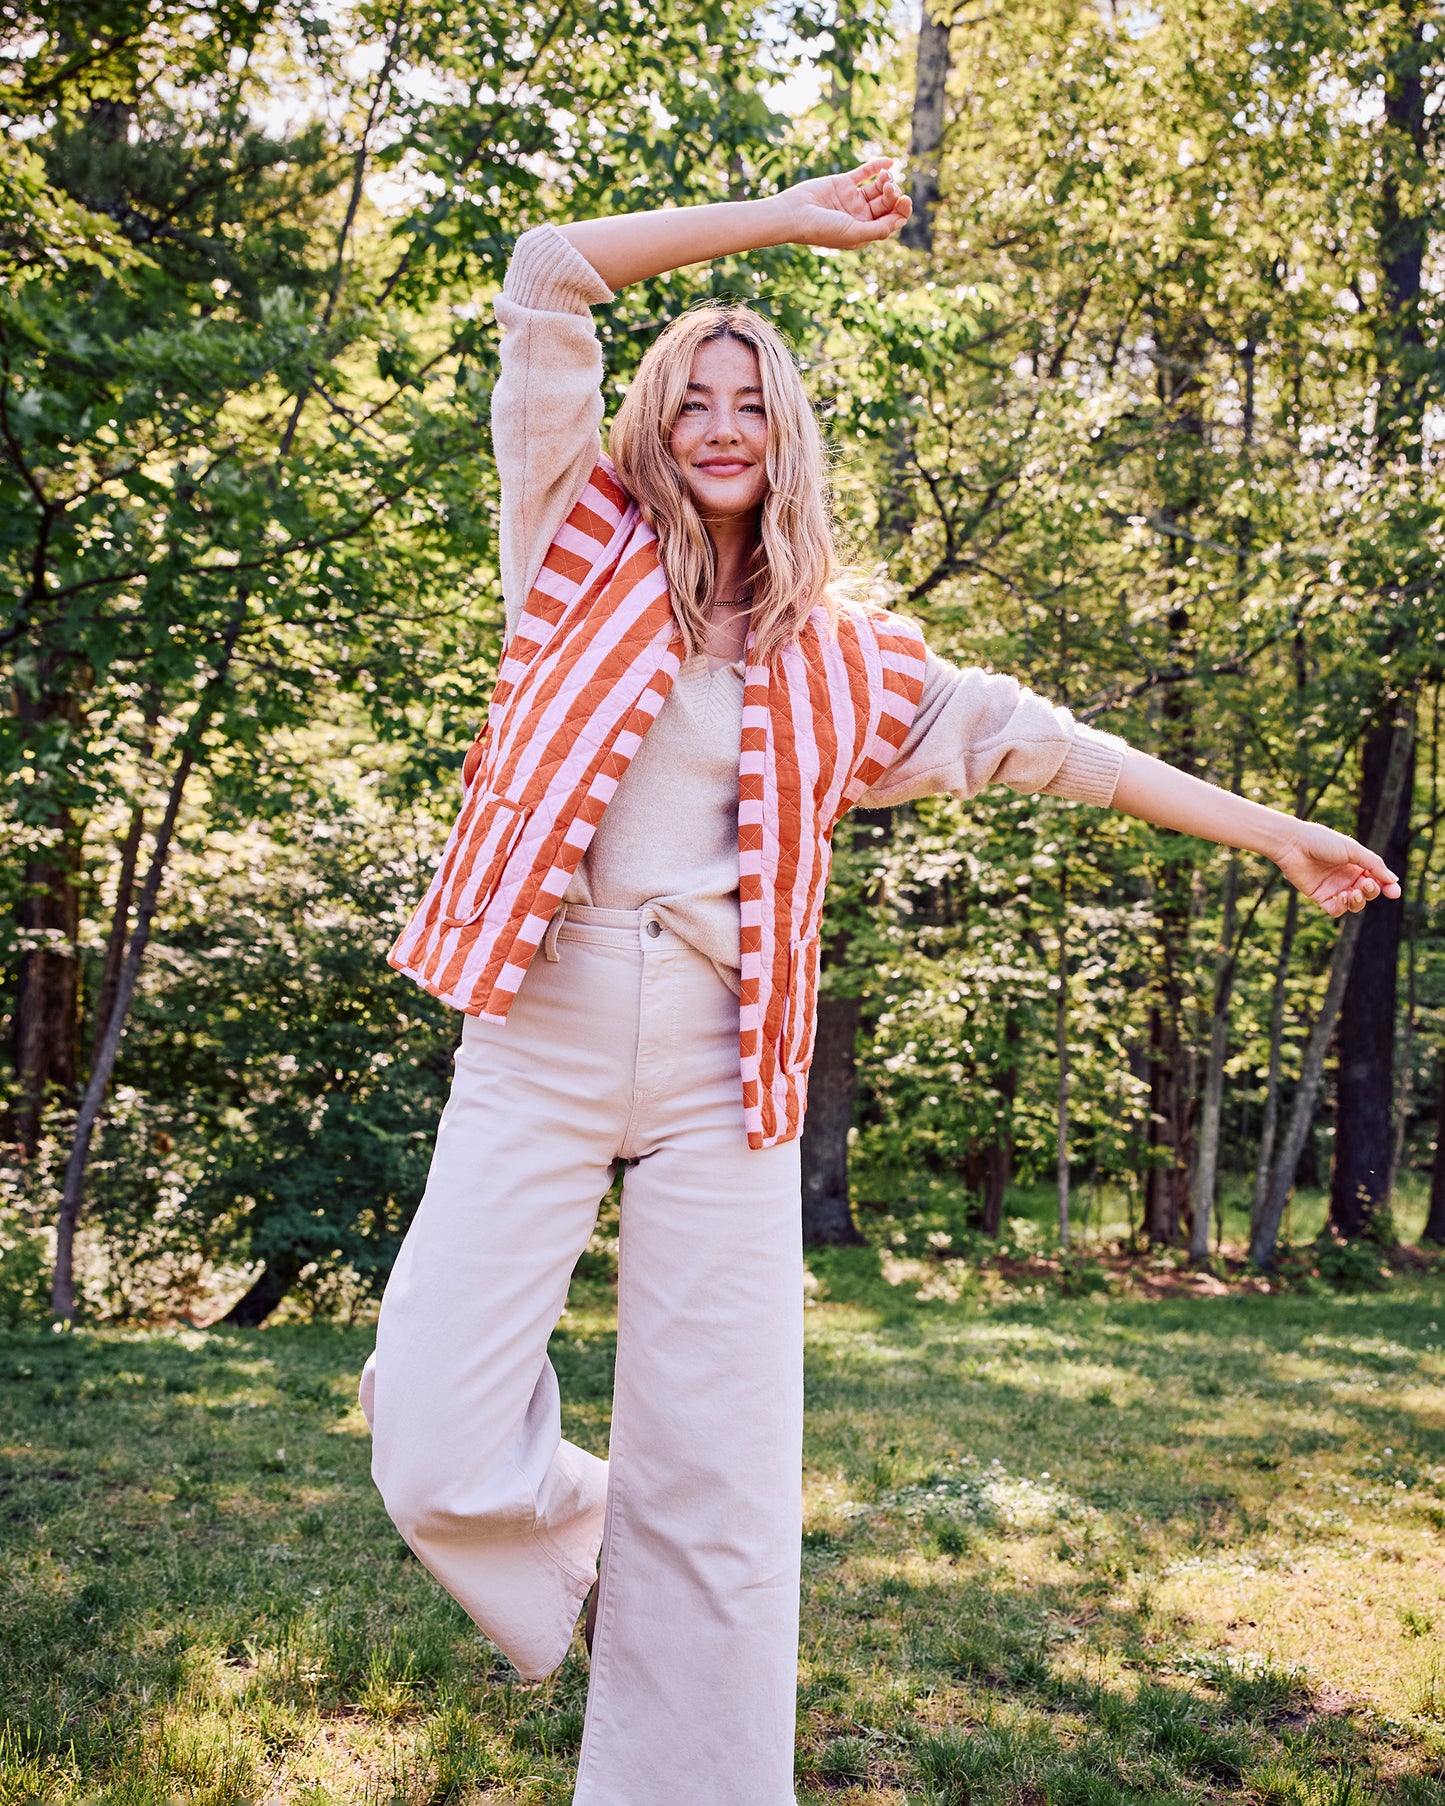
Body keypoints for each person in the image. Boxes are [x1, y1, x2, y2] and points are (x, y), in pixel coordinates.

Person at [359, 160, 1398, 1805]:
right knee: (427, 1434)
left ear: (786, 438)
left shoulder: (847, 654)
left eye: (749, 404)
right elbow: (547, 267)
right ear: (649, 424)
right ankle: (599, 1543)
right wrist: (784, 220)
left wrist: (1272, 829)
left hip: (726, 1065)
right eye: (691, 399)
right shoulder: (572, 533)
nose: (719, 427)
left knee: (722, 1476)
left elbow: (1059, 748)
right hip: (539, 1026)